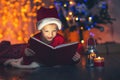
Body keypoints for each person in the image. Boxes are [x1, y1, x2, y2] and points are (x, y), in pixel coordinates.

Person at [4, 7, 81, 69]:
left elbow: (64, 59)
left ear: (57, 30)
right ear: (41, 30)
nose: (50, 34)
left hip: (54, 73)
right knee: (8, 51)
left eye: (54, 31)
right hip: (35, 68)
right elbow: (26, 62)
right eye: (46, 31)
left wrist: (75, 59)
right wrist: (26, 54)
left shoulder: (60, 39)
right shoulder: (35, 40)